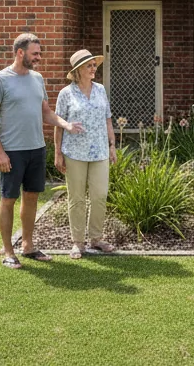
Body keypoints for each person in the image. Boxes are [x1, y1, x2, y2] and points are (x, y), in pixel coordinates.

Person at [0, 33, 85, 269]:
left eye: (39, 53)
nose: (39, 57)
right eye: (35, 53)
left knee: (31, 197)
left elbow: (46, 112)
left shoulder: (37, 79)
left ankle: (27, 246)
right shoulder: (0, 80)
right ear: (20, 53)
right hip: (12, 151)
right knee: (8, 198)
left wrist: (66, 124)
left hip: (36, 149)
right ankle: (9, 251)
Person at [54, 49, 118, 259]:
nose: (93, 69)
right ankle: (77, 242)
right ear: (77, 70)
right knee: (77, 198)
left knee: (100, 195)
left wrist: (112, 146)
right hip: (74, 153)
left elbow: (107, 118)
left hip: (100, 151)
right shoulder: (66, 93)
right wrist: (58, 153)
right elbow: (58, 125)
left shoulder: (100, 90)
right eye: (89, 66)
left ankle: (97, 239)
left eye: (94, 65)